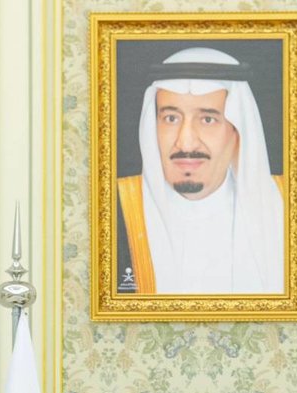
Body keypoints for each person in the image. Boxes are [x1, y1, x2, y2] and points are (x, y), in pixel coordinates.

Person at [115, 46, 285, 295]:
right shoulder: (112, 209)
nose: (186, 143)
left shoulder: (290, 207)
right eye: (171, 118)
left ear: (237, 131)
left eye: (207, 119)